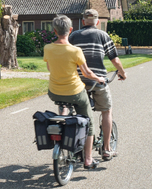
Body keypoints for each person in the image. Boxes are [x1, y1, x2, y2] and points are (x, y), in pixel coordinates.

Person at [43, 14, 106, 169]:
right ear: (70, 30)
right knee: (89, 122)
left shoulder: (48, 48)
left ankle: (64, 129)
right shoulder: (75, 51)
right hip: (75, 93)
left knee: (64, 107)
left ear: (54, 31)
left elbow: (50, 68)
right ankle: (88, 159)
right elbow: (87, 73)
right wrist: (99, 79)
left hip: (54, 92)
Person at [69, 9, 126, 160]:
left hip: (78, 82)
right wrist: (122, 73)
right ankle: (107, 149)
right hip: (98, 81)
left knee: (80, 112)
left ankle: (79, 146)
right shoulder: (103, 35)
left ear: (83, 22)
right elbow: (114, 59)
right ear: (98, 22)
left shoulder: (73, 36)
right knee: (106, 111)